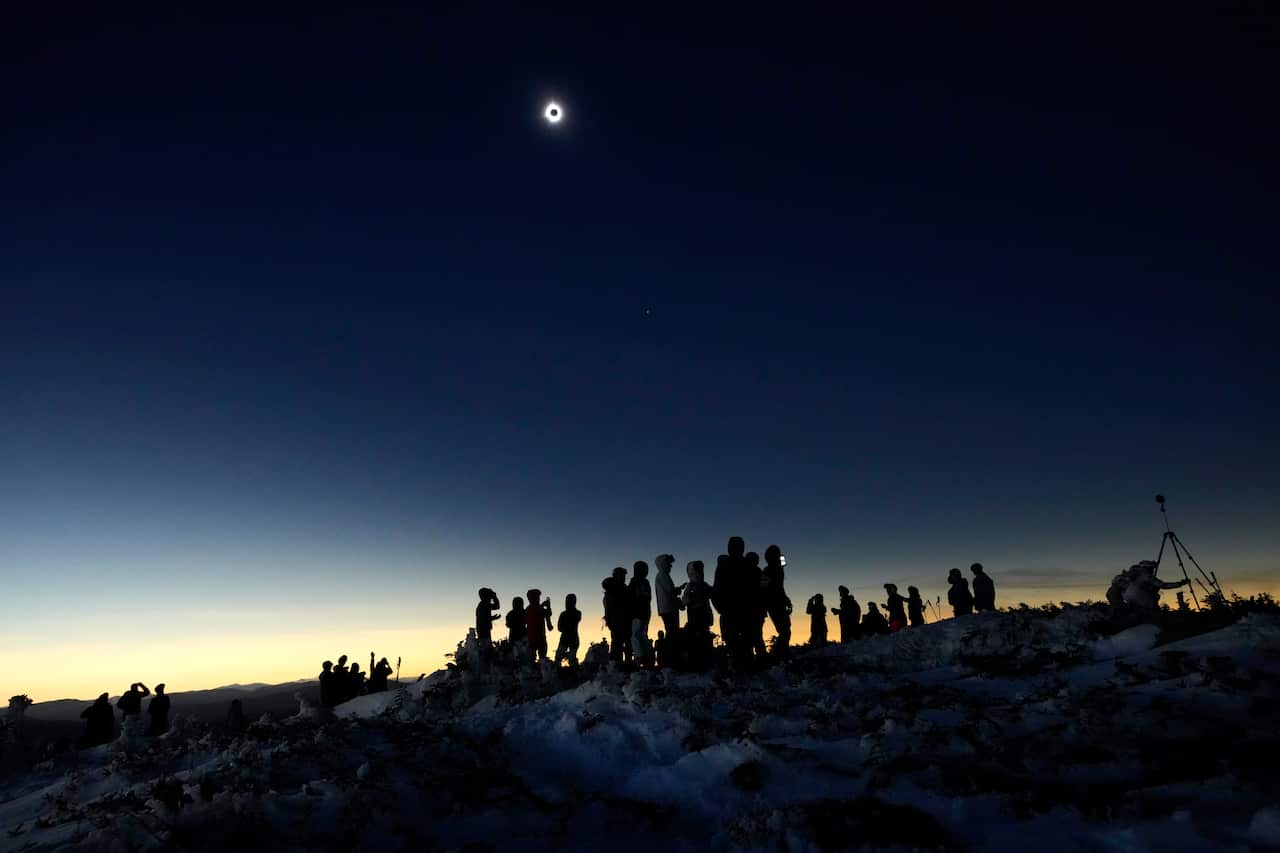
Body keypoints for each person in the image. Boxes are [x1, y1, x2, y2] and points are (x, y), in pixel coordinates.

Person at [1122, 560, 1189, 618]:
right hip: (1139, 596)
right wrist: (1180, 584)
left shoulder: (1135, 573)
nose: (1153, 571)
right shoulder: (1146, 575)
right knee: (1154, 610)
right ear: (1148, 568)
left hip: (1127, 597)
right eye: (1152, 568)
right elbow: (1163, 585)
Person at [682, 560, 714, 670]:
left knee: (704, 638)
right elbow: (685, 600)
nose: (701, 572)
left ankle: (704, 663)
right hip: (695, 617)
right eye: (698, 570)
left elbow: (712, 593)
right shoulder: (691, 586)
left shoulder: (703, 585)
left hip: (702, 617)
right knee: (697, 640)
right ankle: (697, 663)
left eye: (701, 570)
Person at [761, 545, 792, 655]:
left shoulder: (779, 568)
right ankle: (779, 654)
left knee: (786, 630)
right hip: (773, 604)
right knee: (784, 631)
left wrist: (786, 600)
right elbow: (763, 588)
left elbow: (780, 588)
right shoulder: (768, 570)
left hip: (780, 602)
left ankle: (781, 653)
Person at [602, 567, 631, 665]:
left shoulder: (622, 588)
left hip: (625, 621)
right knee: (617, 645)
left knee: (626, 644)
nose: (624, 577)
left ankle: (625, 665)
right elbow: (610, 606)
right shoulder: (613, 590)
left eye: (624, 575)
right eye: (622, 575)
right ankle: (616, 667)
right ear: (616, 576)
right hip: (617, 622)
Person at [744, 552, 769, 659]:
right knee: (756, 635)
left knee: (752, 636)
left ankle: (755, 657)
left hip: (751, 610)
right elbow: (765, 589)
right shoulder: (759, 572)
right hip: (756, 610)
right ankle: (760, 657)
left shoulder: (743, 572)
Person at [629, 561, 654, 667]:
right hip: (646, 612)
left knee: (635, 635)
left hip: (637, 613)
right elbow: (649, 598)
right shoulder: (646, 582)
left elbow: (630, 598)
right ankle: (648, 656)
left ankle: (640, 657)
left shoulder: (635, 582)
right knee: (643, 635)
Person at [654, 554, 684, 638]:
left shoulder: (663, 575)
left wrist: (679, 589)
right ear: (663, 564)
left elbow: (670, 590)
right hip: (668, 609)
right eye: (668, 563)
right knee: (672, 632)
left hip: (667, 609)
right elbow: (671, 591)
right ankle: (671, 650)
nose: (670, 566)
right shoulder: (663, 575)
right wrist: (678, 592)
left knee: (671, 631)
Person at [525, 589, 553, 664]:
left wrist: (544, 605)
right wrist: (547, 606)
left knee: (531, 660)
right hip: (539, 639)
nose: (538, 599)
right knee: (542, 660)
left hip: (531, 639)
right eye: (537, 597)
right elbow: (548, 614)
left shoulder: (527, 609)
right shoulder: (538, 609)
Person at [555, 593, 582, 667]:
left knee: (569, 659)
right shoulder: (574, 613)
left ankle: (573, 673)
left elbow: (561, 627)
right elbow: (560, 628)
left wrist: (566, 626)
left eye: (569, 602)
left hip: (570, 639)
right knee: (559, 657)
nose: (567, 604)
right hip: (568, 639)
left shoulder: (575, 613)